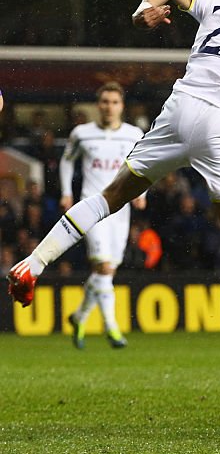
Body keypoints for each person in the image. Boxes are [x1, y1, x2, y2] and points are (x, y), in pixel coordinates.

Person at [8, 0, 220, 399]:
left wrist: (141, 13)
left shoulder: (219, 0)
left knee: (112, 195)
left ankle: (30, 265)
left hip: (179, 110)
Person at [60, 82, 146, 349]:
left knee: (106, 272)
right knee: (105, 266)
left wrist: (143, 193)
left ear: (122, 106)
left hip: (121, 209)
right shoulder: (82, 134)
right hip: (91, 206)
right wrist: (66, 193)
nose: (109, 107)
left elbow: (147, 162)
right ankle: (112, 328)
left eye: (114, 102)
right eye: (105, 102)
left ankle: (79, 316)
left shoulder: (134, 134)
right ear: (98, 105)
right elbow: (66, 160)